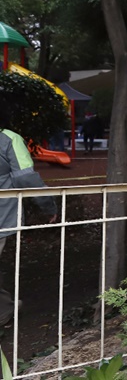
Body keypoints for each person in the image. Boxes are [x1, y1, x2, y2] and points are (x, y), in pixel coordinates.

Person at [0, 105, 58, 327]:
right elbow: (26, 179)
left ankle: (5, 310)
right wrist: (48, 206)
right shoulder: (9, 139)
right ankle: (5, 310)